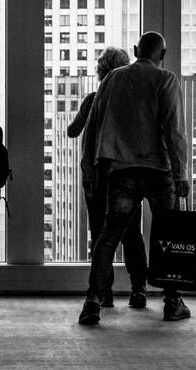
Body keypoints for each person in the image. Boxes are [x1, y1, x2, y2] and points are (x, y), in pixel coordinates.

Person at [78, 32, 190, 325]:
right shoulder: (166, 80)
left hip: (121, 170)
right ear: (162, 55)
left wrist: (89, 168)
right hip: (159, 170)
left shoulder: (113, 79)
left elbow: (93, 127)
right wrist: (182, 174)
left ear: (135, 50)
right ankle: (172, 301)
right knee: (168, 236)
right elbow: (175, 132)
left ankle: (92, 300)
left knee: (109, 234)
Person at [68, 47, 146, 309]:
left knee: (100, 233)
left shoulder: (93, 99)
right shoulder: (133, 101)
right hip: (127, 175)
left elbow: (72, 131)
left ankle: (104, 293)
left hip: (97, 176)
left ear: (100, 72)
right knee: (132, 233)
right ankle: (138, 290)